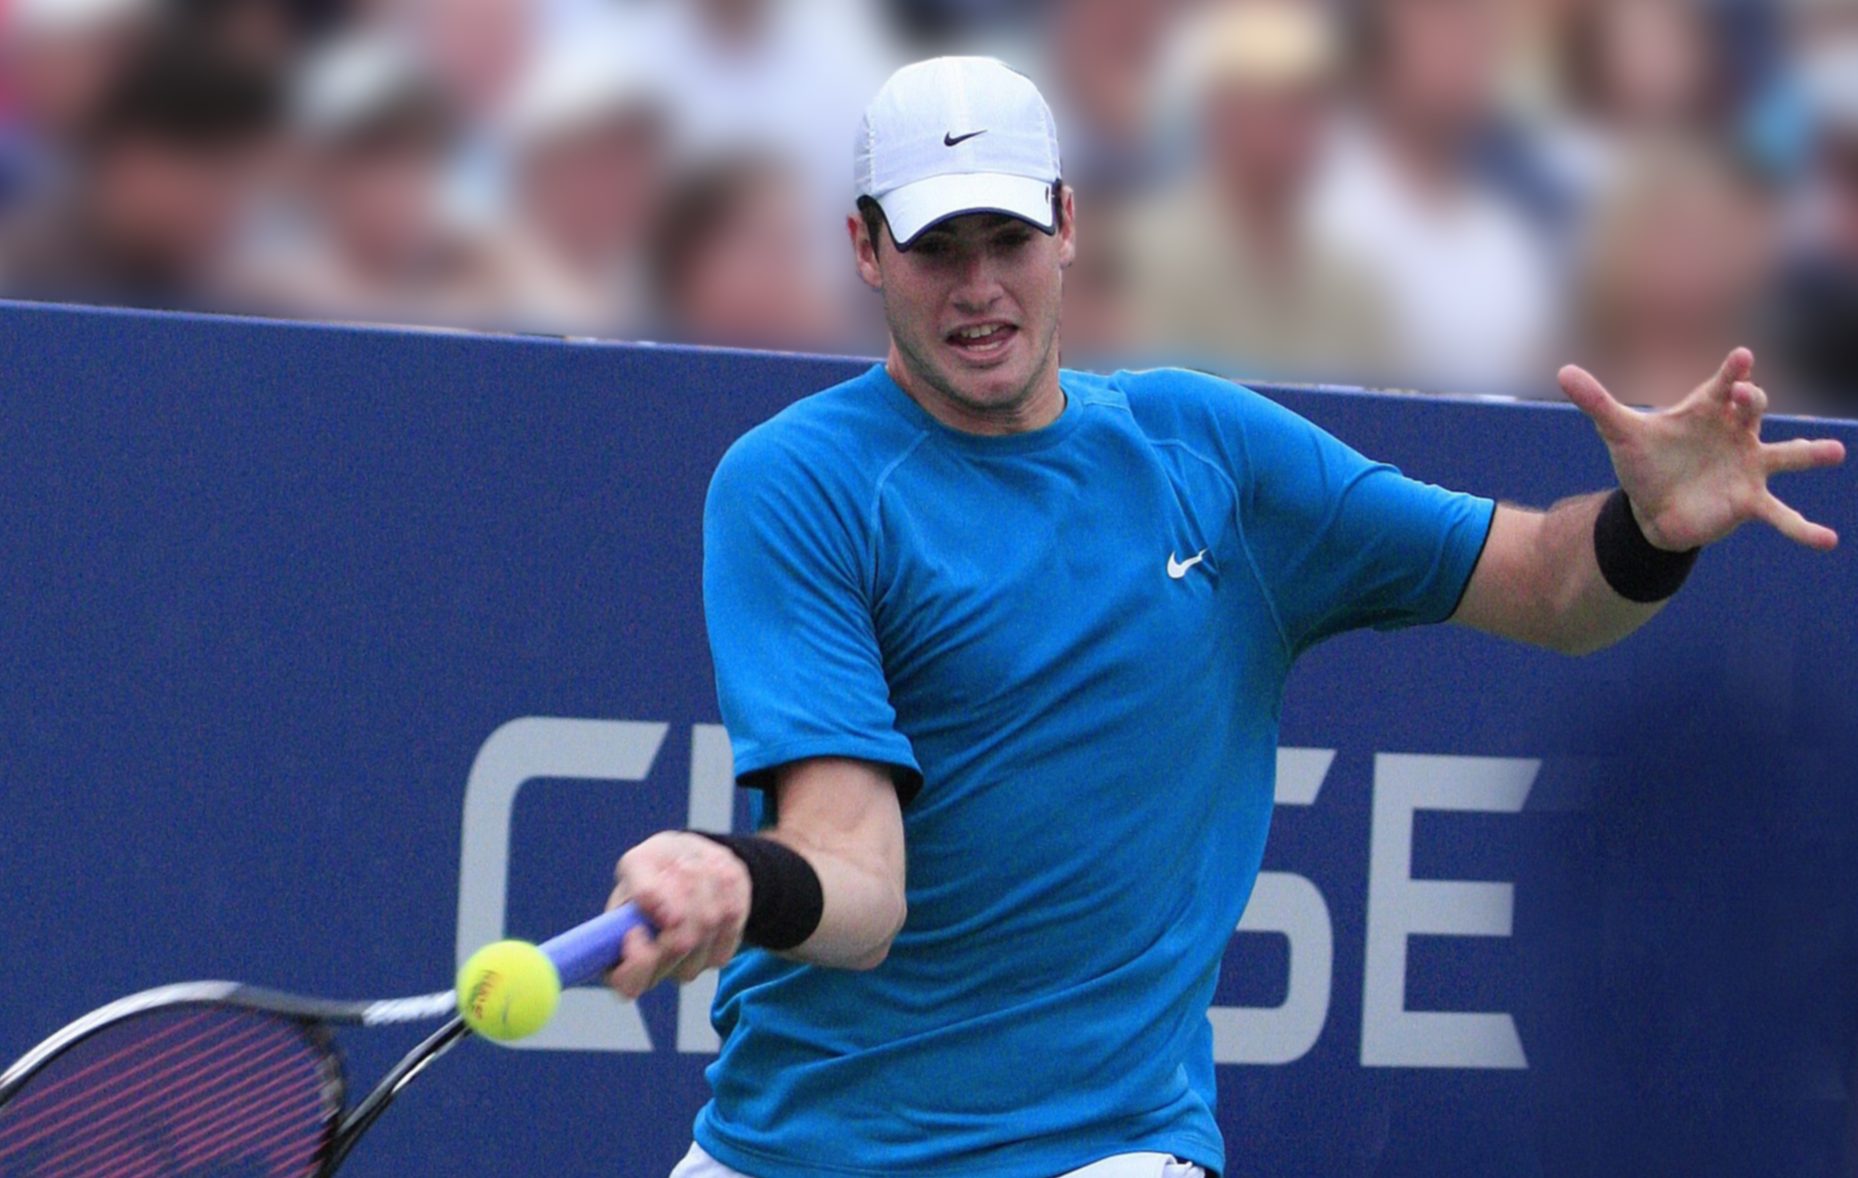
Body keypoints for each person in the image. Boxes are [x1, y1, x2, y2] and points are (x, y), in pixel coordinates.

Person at [600, 57, 1845, 1178]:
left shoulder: (1215, 454)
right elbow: (860, 885)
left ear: (1070, 226)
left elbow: (1543, 585)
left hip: (1106, 1150)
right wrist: (742, 877)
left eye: (1008, 237)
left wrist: (1646, 530)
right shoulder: (794, 484)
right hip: (789, 1146)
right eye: (936, 248)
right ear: (867, 249)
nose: (979, 287)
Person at [1119, 0, 1394, 385]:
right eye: (1282, 105)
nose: (1303, 129)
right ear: (1222, 114)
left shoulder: (1352, 283)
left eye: (1315, 106)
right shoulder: (1147, 255)